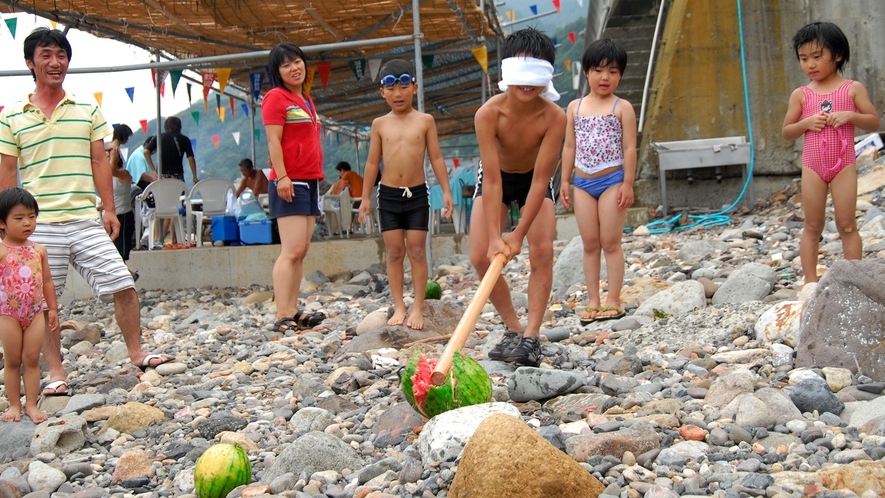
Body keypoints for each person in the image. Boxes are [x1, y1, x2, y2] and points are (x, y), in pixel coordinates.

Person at [0, 27, 170, 396]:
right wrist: (7, 227)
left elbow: (99, 161)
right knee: (45, 304)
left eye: (61, 55)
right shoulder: (12, 114)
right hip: (37, 223)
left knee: (123, 283)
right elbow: (8, 172)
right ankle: (57, 373)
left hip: (83, 217)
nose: (55, 62)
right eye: (46, 55)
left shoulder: (87, 109)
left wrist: (109, 209)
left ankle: (137, 353)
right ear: (30, 63)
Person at [470, 28, 566, 366]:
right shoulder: (488, 114)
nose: (527, 84)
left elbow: (542, 178)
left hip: (533, 181)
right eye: (520, 73)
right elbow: (492, 178)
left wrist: (518, 232)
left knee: (541, 250)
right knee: (481, 255)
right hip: (497, 178)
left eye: (536, 73)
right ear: (507, 73)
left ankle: (532, 336)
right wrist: (498, 238)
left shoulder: (555, 117)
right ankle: (513, 328)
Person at [358, 59, 454, 330]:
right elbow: (371, 163)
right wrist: (366, 197)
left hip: (418, 195)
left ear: (415, 87)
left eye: (403, 87)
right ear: (382, 92)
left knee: (417, 252)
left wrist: (446, 191)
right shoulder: (379, 124)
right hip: (388, 196)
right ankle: (399, 305)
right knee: (394, 252)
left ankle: (418, 307)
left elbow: (435, 157)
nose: (397, 94)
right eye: (391, 89)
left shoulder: (425, 121)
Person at [782, 22, 880, 285]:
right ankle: (810, 282)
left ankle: (854, 281)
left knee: (847, 223)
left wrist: (851, 115)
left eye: (816, 57)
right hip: (813, 166)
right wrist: (805, 124)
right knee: (812, 225)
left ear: (837, 55)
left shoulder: (852, 89)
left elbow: (874, 122)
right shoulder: (801, 95)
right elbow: (787, 131)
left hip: (844, 165)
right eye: (803, 59)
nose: (810, 64)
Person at [560, 38, 636, 324]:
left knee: (611, 242)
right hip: (582, 182)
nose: (606, 77)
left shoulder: (622, 107)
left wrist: (628, 183)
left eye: (614, 71)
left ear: (620, 75)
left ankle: (613, 300)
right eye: (599, 70)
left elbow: (630, 147)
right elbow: (569, 146)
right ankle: (593, 301)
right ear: (587, 72)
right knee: (590, 243)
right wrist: (565, 181)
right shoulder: (574, 107)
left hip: (613, 179)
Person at [263, 42, 326, 333]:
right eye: (286, 64)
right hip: (291, 180)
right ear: (277, 72)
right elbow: (274, 142)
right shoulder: (276, 98)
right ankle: (282, 312)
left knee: (301, 250)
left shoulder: (306, 100)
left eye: (297, 61)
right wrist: (283, 177)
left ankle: (293, 308)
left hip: (311, 180)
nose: (294, 67)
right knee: (290, 250)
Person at [0, 188, 58, 423]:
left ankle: (31, 405)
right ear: (2, 223)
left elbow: (47, 281)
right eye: (19, 218)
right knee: (13, 360)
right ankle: (14, 404)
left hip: (34, 312)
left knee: (32, 358)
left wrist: (52, 309)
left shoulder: (38, 250)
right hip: (7, 313)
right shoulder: (2, 250)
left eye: (32, 217)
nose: (27, 223)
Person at [146, 116, 197, 246]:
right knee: (176, 208)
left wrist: (153, 169)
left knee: (161, 208)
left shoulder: (159, 137)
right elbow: (191, 158)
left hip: (161, 178)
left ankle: (157, 239)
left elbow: (146, 152)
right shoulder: (184, 140)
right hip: (177, 179)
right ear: (179, 126)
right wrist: (194, 176)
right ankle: (175, 239)